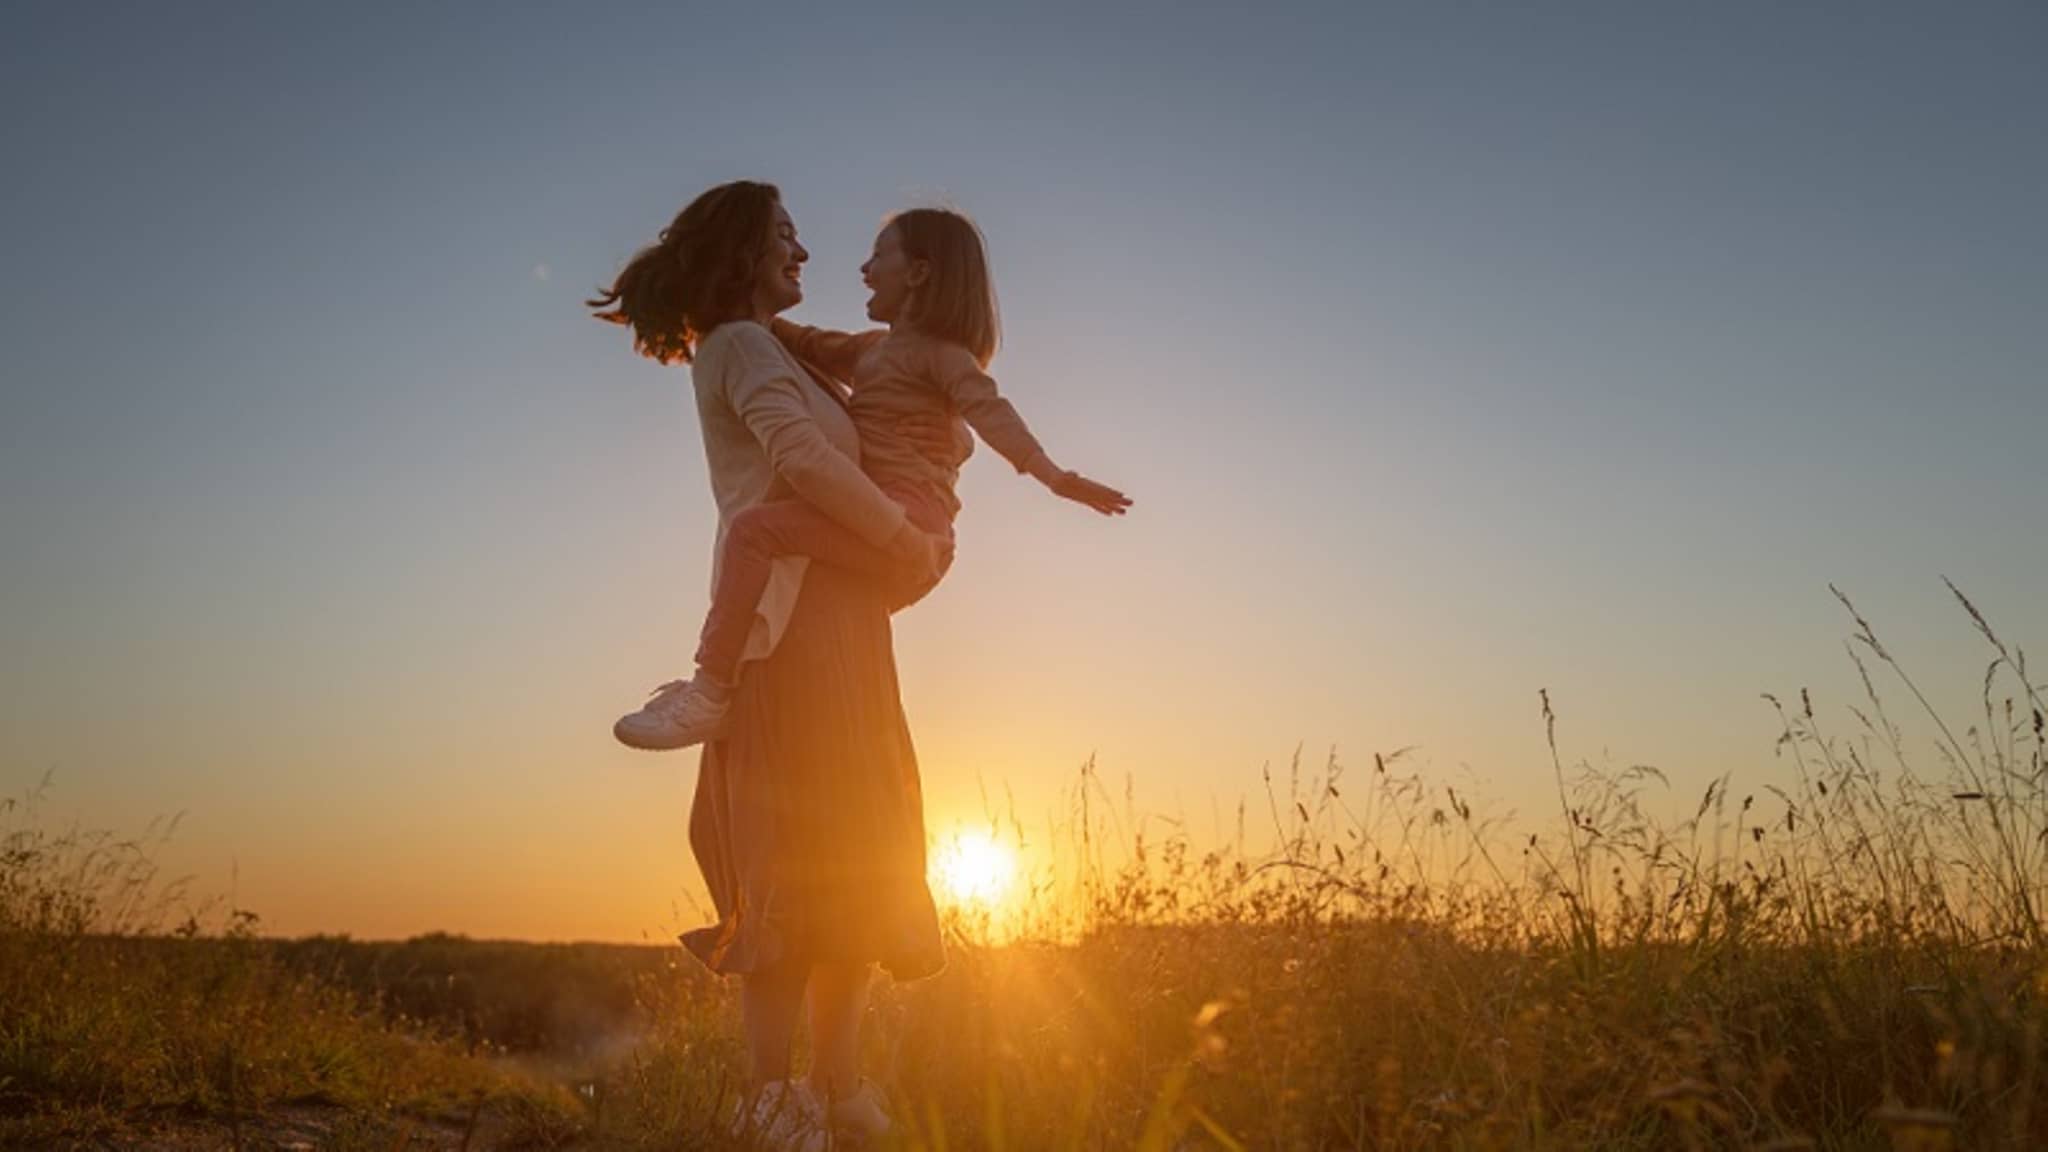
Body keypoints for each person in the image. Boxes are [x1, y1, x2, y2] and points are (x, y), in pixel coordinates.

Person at [589, 181, 949, 1146]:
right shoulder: (741, 347)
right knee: (791, 867)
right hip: (792, 640)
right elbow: (798, 459)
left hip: (845, 629)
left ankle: (833, 1090)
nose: (803, 250)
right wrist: (901, 541)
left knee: (853, 870)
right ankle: (776, 1103)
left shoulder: (771, 344)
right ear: (743, 250)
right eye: (785, 235)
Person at [614, 207, 1130, 752]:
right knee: (781, 567)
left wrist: (1055, 477)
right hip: (882, 527)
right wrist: (706, 291)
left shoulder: (945, 359)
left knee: (754, 532)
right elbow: (796, 337)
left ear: (918, 273)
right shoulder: (868, 352)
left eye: (879, 255)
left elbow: (995, 415)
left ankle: (710, 689)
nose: (864, 268)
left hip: (914, 523)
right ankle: (723, 684)